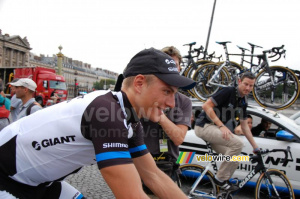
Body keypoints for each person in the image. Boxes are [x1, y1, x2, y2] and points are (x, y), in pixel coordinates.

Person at [0, 48, 195, 199]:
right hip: (7, 178)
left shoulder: (128, 118)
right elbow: (132, 195)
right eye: (167, 91)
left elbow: (153, 175)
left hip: (40, 182)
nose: (171, 103)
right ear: (139, 83)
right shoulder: (108, 113)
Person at [194, 72, 259, 190]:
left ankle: (222, 189)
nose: (248, 88)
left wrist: (256, 147)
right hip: (204, 126)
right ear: (239, 81)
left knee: (236, 159)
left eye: (251, 86)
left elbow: (244, 126)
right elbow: (206, 106)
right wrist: (221, 126)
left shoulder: (243, 100)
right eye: (246, 84)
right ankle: (220, 179)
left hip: (214, 129)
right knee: (238, 143)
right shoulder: (228, 91)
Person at [140, 46, 193, 185]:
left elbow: (178, 138)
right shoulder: (145, 96)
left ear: (180, 68)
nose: (172, 70)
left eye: (175, 65)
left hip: (168, 167)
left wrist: (159, 114)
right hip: (141, 164)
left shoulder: (184, 102)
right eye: (166, 65)